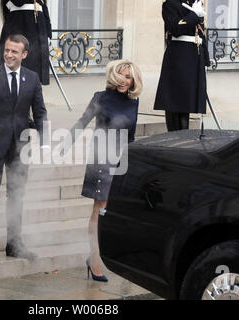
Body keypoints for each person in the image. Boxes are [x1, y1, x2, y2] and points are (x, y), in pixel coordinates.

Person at [0, 34, 49, 263]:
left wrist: (44, 141)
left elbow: (40, 111)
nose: (9, 55)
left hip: (20, 147)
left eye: (15, 51)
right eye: (7, 50)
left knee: (17, 195)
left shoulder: (32, 78)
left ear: (24, 54)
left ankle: (14, 244)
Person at [68, 60, 143, 281]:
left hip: (121, 161)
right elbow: (82, 122)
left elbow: (131, 137)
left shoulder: (134, 102)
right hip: (101, 158)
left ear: (133, 81)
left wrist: (133, 164)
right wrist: (63, 145)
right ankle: (94, 258)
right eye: (120, 75)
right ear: (113, 76)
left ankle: (102, 256)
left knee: (111, 210)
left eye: (128, 77)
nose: (123, 80)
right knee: (99, 209)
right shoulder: (100, 97)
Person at [153, 0, 210, 132]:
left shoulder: (194, 4)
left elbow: (201, 34)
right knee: (175, 100)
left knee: (187, 102)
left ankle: (185, 135)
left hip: (195, 56)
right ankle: (175, 135)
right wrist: (194, 15)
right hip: (179, 56)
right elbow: (175, 28)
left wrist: (206, 60)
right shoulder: (170, 4)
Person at [0, 0, 52, 85]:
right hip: (19, 23)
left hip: (39, 27)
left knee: (35, 74)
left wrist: (48, 33)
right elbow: (18, 3)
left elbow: (44, 8)